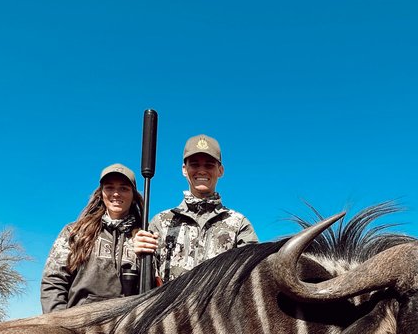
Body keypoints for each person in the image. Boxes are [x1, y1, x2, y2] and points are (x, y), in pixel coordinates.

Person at [133, 134, 257, 283]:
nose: (202, 170)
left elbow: (254, 274)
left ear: (220, 170)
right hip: (172, 306)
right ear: (184, 169)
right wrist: (139, 254)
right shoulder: (160, 222)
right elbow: (145, 279)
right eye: (195, 164)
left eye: (209, 165)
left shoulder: (239, 224)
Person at [40, 163, 143, 312]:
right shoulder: (75, 231)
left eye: (124, 188)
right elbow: (54, 281)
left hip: (127, 327)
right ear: (101, 193)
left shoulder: (144, 237)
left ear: (133, 196)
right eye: (109, 187)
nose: (116, 193)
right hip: (78, 326)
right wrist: (59, 325)